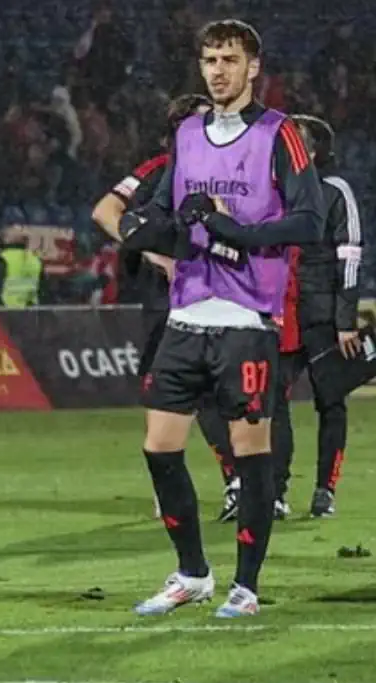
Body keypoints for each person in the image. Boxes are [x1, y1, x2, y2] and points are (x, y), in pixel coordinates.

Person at [119, 20, 324, 618]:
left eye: (230, 59)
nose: (217, 71)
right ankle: (192, 573)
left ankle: (247, 586)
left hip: (247, 318)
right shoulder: (186, 133)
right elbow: (164, 209)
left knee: (249, 453)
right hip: (187, 313)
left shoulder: (280, 133)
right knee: (159, 448)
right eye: (210, 59)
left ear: (254, 67)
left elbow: (309, 222)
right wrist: (144, 229)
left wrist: (234, 229)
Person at [91, 93, 237, 521]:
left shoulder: (226, 171)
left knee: (218, 391)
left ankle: (241, 484)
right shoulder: (157, 171)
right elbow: (104, 211)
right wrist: (157, 256)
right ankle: (181, 484)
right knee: (172, 392)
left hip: (217, 294)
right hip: (165, 301)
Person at [265, 114, 362, 518]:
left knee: (331, 402)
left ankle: (325, 490)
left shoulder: (335, 190)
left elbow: (350, 257)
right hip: (283, 314)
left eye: (295, 140)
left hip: (322, 316)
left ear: (314, 150)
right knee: (275, 403)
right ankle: (277, 492)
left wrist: (345, 321)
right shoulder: (275, 190)